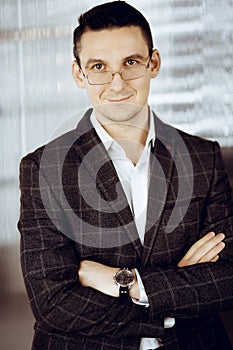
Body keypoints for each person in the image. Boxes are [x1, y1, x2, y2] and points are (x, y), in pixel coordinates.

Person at [18, 1, 233, 349]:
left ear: (154, 64)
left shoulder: (203, 156)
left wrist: (129, 283)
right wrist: (176, 291)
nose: (117, 85)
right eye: (99, 67)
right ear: (79, 74)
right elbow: (54, 303)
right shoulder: (42, 168)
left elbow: (227, 278)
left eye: (130, 63)